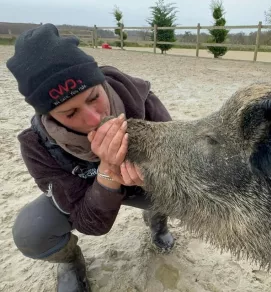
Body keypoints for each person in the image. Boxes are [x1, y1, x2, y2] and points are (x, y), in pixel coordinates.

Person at [6, 23, 175, 292]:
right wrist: (108, 171)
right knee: (31, 233)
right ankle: (70, 261)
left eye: (94, 97)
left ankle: (157, 222)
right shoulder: (36, 145)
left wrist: (153, 177)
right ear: (48, 116)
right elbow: (91, 224)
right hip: (87, 197)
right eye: (70, 114)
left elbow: (178, 163)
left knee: (181, 195)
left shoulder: (140, 99)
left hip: (142, 186)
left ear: (100, 82)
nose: (94, 119)